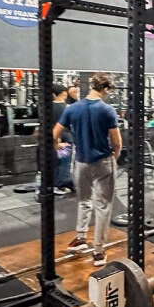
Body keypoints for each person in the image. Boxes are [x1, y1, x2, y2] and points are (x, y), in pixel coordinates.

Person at [53, 72, 121, 267]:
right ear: (105, 88)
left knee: (84, 201)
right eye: (109, 91)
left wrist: (58, 147)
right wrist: (115, 157)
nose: (108, 94)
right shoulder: (107, 110)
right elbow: (117, 141)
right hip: (102, 161)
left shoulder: (73, 108)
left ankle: (80, 237)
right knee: (103, 206)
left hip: (81, 162)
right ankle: (98, 251)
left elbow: (55, 133)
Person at [51, 84, 74, 195]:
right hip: (64, 138)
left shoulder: (48, 107)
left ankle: (56, 184)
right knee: (64, 162)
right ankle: (60, 186)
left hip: (53, 138)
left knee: (56, 162)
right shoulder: (67, 108)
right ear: (64, 94)